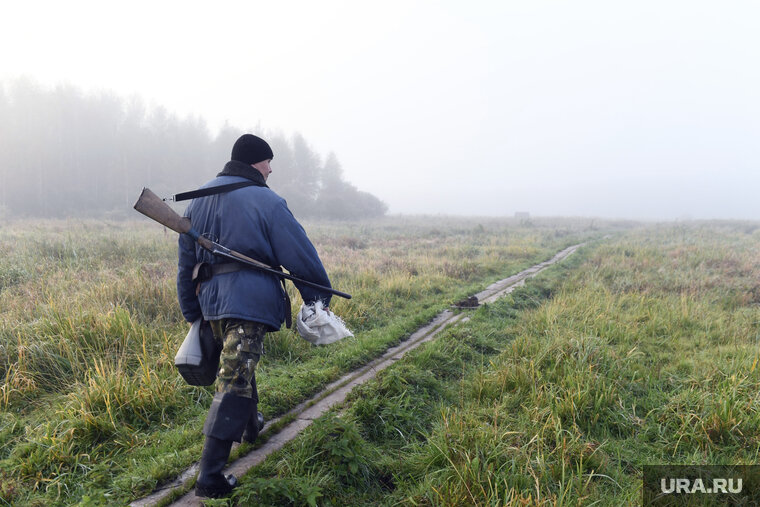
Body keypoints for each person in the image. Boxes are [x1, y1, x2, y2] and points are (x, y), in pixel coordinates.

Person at [176, 133, 333, 498]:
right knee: (234, 379)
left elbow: (186, 263)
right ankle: (210, 476)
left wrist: (191, 311)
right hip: (246, 304)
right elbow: (299, 254)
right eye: (268, 162)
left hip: (210, 303)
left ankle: (251, 427)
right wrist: (318, 297)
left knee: (239, 365)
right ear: (254, 164)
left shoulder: (197, 199)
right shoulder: (266, 200)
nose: (271, 168)